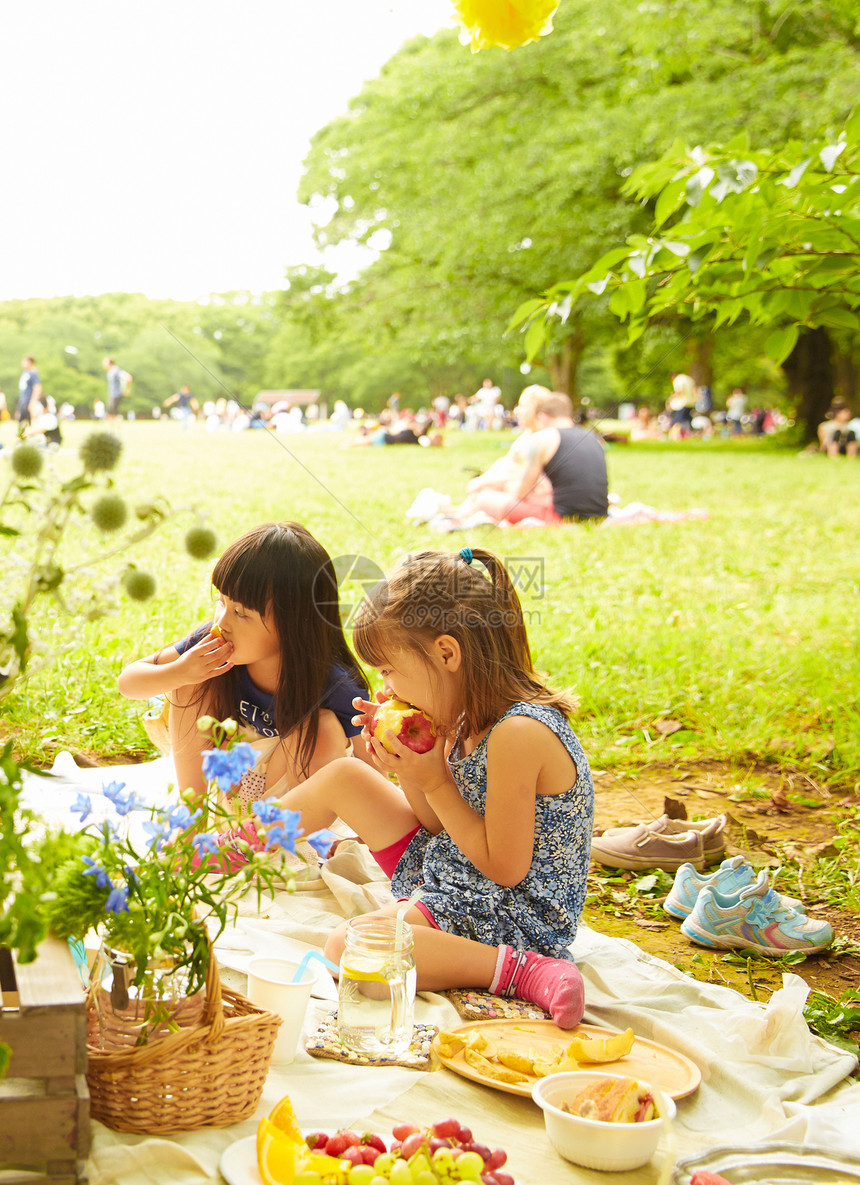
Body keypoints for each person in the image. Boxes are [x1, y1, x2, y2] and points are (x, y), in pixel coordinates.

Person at [210, 547, 594, 1027]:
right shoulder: (460, 713)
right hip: (455, 869)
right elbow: (437, 822)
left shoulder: (519, 734)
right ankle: (225, 848)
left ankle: (525, 971)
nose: (386, 689)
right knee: (347, 777)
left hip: (510, 912)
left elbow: (506, 869)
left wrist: (433, 778)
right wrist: (411, 773)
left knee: (351, 950)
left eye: (390, 671)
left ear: (447, 654)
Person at [117, 522, 371, 803]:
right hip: (229, 777)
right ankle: (193, 815)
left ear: (292, 623)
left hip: (295, 795)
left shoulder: (335, 684)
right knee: (190, 682)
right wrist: (180, 671)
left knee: (320, 726)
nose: (222, 622)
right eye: (222, 602)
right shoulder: (212, 642)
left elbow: (371, 770)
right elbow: (129, 683)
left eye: (240, 612)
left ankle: (281, 837)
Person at [461, 391, 608, 525]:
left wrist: (503, 485)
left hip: (561, 517)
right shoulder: (591, 437)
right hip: (599, 514)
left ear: (542, 416)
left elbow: (521, 491)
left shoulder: (542, 438)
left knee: (484, 498)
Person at [103, 357, 132, 424]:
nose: (103, 364)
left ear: (110, 363)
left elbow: (129, 378)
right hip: (112, 395)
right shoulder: (110, 372)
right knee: (110, 413)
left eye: (105, 362)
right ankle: (112, 430)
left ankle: (116, 427)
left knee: (112, 413)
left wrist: (127, 389)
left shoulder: (116, 371)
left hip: (116, 395)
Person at [16, 356, 42, 425]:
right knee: (21, 421)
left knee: (31, 421)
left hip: (29, 400)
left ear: (30, 362)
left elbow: (37, 387)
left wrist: (33, 401)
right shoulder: (25, 373)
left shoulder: (33, 373)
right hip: (23, 400)